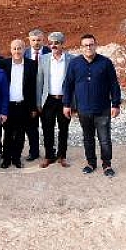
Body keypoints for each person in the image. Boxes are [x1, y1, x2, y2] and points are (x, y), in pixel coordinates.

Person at [63, 34, 121, 177]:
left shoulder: (105, 63)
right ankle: (91, 163)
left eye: (91, 44)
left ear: (95, 45)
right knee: (88, 138)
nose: (88, 47)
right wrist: (66, 104)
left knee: (105, 139)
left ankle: (107, 164)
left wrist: (116, 104)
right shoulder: (75, 64)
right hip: (83, 109)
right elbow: (68, 85)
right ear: (81, 47)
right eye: (85, 45)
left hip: (103, 109)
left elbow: (114, 84)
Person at [36, 32, 75, 168]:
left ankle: (62, 156)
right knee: (47, 128)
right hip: (48, 100)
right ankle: (49, 156)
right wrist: (38, 102)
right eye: (50, 43)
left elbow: (74, 83)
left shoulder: (71, 59)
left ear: (62, 44)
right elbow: (39, 82)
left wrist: (72, 103)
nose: (53, 45)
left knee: (64, 129)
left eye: (56, 43)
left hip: (65, 100)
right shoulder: (43, 59)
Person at [0, 39, 37, 169]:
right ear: (11, 50)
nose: (17, 51)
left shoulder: (31, 64)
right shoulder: (4, 64)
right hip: (8, 106)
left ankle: (16, 158)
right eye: (14, 48)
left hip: (23, 106)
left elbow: (33, 88)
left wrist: (33, 107)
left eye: (19, 48)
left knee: (20, 134)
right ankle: (6, 159)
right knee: (8, 133)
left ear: (24, 49)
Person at [23, 29, 50, 162]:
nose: (36, 43)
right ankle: (34, 152)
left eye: (39, 40)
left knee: (47, 126)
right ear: (29, 40)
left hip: (46, 96)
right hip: (30, 96)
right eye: (33, 40)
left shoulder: (49, 53)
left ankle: (50, 152)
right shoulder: (24, 53)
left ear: (43, 40)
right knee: (31, 126)